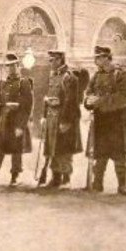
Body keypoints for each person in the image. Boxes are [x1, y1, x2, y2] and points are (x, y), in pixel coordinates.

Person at [83, 45, 126, 195]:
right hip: (100, 121)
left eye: (98, 57)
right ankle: (97, 183)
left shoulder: (121, 74)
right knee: (100, 153)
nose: (96, 60)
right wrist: (88, 102)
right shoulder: (96, 76)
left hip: (117, 120)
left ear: (106, 58)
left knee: (119, 154)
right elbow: (88, 94)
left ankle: (122, 185)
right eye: (95, 57)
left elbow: (124, 98)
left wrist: (99, 101)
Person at [0, 53, 33, 187]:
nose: (10, 69)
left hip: (16, 121)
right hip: (4, 121)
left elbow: (27, 105)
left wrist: (21, 125)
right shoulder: (3, 83)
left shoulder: (23, 82)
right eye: (8, 66)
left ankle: (15, 177)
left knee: (16, 150)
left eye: (13, 66)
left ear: (18, 66)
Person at [40, 50, 82, 188]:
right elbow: (49, 96)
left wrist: (66, 121)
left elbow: (71, 102)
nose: (50, 63)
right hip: (52, 118)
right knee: (53, 148)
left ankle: (66, 179)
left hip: (64, 118)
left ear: (59, 60)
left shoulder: (69, 78)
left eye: (52, 60)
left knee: (64, 149)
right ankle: (55, 178)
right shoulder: (53, 76)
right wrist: (44, 116)